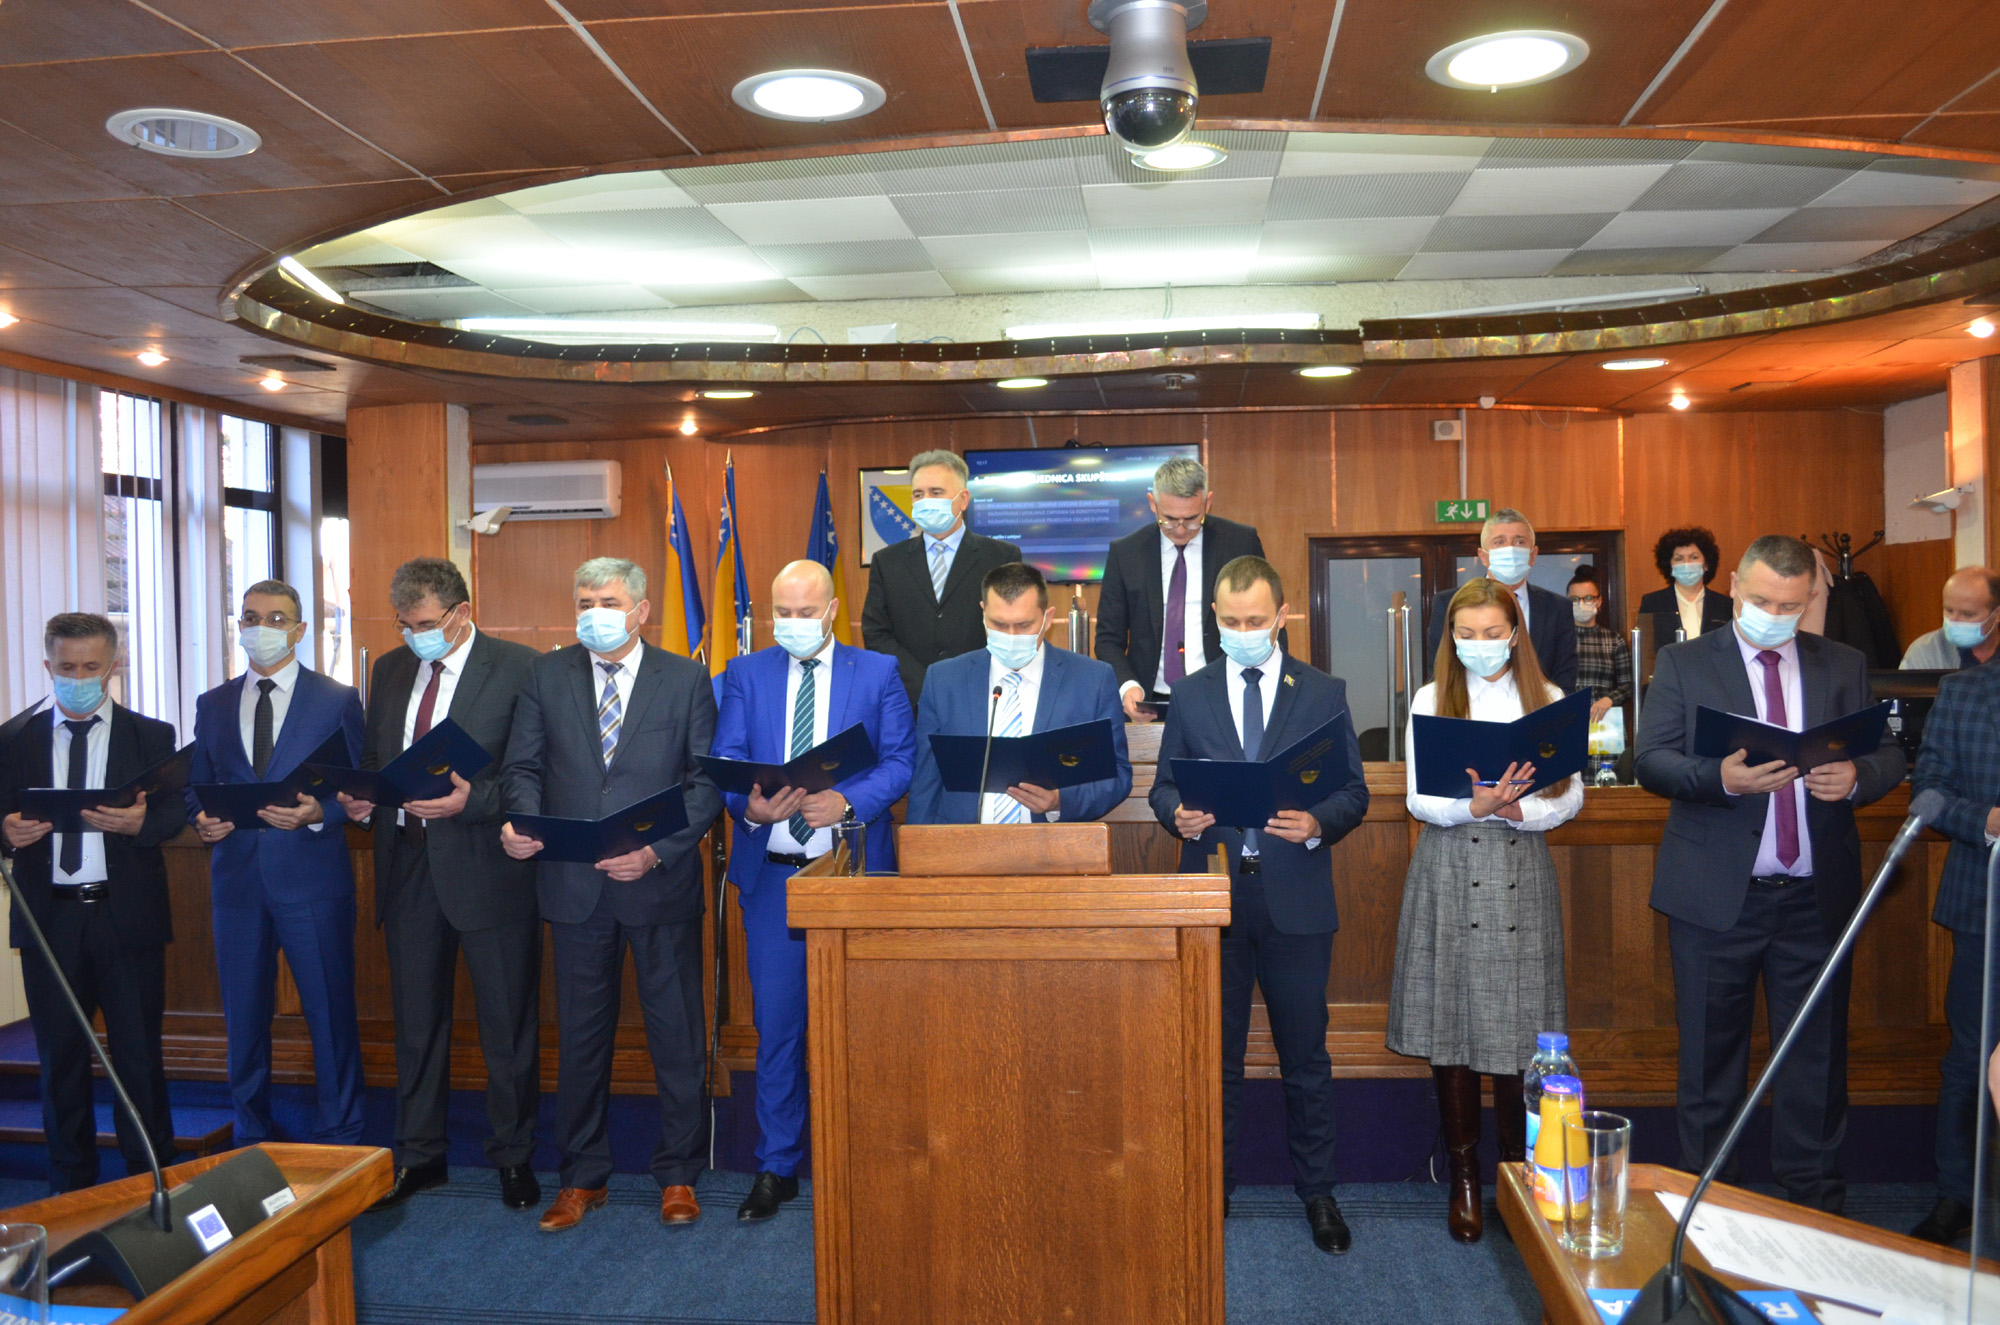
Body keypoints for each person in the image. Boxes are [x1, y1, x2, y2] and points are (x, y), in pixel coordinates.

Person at [1635, 535, 1904, 1213]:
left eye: (1790, 605)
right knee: (1709, 1067)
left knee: (1816, 1065)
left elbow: (1890, 752)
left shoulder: (1841, 662)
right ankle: (1709, 1211)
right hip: (1715, 898)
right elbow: (1651, 759)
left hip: (1816, 898)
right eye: (1761, 601)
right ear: (1735, 586)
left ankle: (1814, 1211)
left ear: (1811, 597)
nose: (1774, 615)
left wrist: (1858, 776)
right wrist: (1719, 778)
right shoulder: (1684, 661)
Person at [1150, 555, 1369, 1255]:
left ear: (1282, 616)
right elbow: (1162, 787)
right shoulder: (1191, 693)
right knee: (1214, 1057)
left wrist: (1318, 823)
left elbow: (1353, 792)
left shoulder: (1323, 691)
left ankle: (1319, 1192)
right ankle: (1212, 1183)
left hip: (1296, 898)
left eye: (1255, 620)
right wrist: (1176, 814)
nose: (1242, 631)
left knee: (1306, 1056)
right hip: (1213, 895)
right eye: (1230, 620)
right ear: (1214, 618)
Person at [500, 557, 722, 1232]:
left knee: (677, 1038)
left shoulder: (686, 678)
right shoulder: (546, 675)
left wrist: (655, 850)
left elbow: (705, 784)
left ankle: (679, 1173)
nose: (594, 612)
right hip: (574, 888)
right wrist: (520, 822)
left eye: (608, 601)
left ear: (641, 611)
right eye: (585, 601)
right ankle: (581, 1176)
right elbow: (521, 768)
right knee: (581, 1040)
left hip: (659, 885)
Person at [711, 561, 915, 1222]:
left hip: (852, 872)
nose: (793, 623)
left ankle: (866, 1155)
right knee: (777, 1028)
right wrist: (749, 806)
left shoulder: (877, 672)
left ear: (831, 610)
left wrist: (849, 802)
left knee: (865, 1025)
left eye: (805, 612)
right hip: (774, 876)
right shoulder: (744, 674)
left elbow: (901, 761)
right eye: (782, 612)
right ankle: (777, 1165)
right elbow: (727, 760)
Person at [338, 558, 543, 1213]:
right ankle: (419, 1154)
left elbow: (534, 770)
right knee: (416, 1024)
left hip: (489, 867)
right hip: (408, 866)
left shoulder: (518, 667)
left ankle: (513, 1156)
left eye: (425, 624)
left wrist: (472, 801)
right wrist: (363, 798)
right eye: (405, 624)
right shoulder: (391, 668)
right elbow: (377, 759)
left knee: (506, 1025)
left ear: (461, 612)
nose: (414, 635)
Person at [1389, 579, 1583, 1243]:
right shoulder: (1431, 697)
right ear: (1451, 637)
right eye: (1466, 634)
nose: (1480, 644)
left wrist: (1522, 810)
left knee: (1524, 1029)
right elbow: (1417, 798)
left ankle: (1518, 1175)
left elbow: (1570, 796)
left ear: (1515, 632)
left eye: (1492, 632)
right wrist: (1471, 806)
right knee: (1451, 1022)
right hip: (1448, 865)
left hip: (1520, 866)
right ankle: (1466, 1175)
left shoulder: (1547, 697)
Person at [0, 614, 184, 1193]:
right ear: (47, 665)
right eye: (66, 667)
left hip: (125, 918)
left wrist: (141, 823)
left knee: (138, 1059)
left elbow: (177, 812)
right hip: (48, 919)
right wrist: (6, 831)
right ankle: (70, 1187)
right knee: (59, 1061)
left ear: (114, 666)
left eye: (91, 667)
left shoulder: (151, 736)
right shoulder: (13, 739)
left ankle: (150, 1183)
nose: (78, 678)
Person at [189, 579, 366, 1146]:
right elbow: (197, 784)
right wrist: (202, 818)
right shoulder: (213, 703)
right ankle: (250, 1134)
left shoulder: (336, 699)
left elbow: (360, 789)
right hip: (236, 885)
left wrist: (321, 813)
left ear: (299, 629)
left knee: (330, 1016)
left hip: (312, 880)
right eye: (250, 617)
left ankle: (342, 1136)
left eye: (275, 618)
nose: (260, 628)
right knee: (243, 1019)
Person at [909, 562, 1131, 825]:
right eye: (999, 624)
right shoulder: (944, 680)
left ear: (1047, 618)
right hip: (963, 843)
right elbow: (926, 781)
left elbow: (1117, 775)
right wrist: (919, 847)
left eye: (1024, 625)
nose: (1011, 636)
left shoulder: (1092, 680)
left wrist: (1060, 800)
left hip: (1052, 845)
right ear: (983, 613)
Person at [1906, 649, 2000, 1244]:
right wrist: (1986, 820)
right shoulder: (1963, 691)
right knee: (1972, 1056)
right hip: (1987, 902)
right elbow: (1928, 792)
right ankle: (1956, 1196)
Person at [1095, 456, 1270, 723]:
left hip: (1226, 696)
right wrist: (1127, 686)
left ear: (1207, 503)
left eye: (1191, 519)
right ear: (1152, 503)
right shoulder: (1126, 553)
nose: (1180, 529)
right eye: (1169, 519)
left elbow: (1268, 621)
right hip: (1151, 703)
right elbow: (1108, 640)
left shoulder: (1239, 543)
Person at [861, 449, 1023, 707]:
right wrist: (924, 683)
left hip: (978, 695)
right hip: (909, 701)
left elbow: (1010, 627)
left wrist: (960, 681)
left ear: (963, 499)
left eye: (936, 493)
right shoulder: (887, 562)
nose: (926, 501)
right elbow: (876, 633)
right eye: (918, 494)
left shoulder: (1001, 556)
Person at [1423, 508, 1577, 691]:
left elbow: (1565, 679)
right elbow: (1440, 671)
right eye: (1499, 542)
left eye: (1520, 542)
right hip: (1464, 705)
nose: (1510, 549)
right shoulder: (1448, 603)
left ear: (1533, 555)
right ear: (1483, 556)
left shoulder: (1557, 608)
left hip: (1541, 706)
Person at [1638, 527, 1732, 642]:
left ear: (1706, 564)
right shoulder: (1652, 603)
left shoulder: (1725, 605)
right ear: (1670, 566)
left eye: (1694, 557)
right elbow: (1645, 647)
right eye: (1679, 559)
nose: (1687, 563)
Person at [1900, 566, 2000, 670]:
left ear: (1997, 614)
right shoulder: (1925, 651)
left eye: (1967, 614)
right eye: (1949, 610)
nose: (1954, 620)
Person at [1567, 566, 1632, 724]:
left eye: (1588, 598)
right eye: (1575, 599)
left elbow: (1629, 685)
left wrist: (1609, 699)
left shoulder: (1614, 640)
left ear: (1599, 601)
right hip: (1565, 719)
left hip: (1603, 722)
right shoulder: (1558, 638)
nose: (1581, 604)